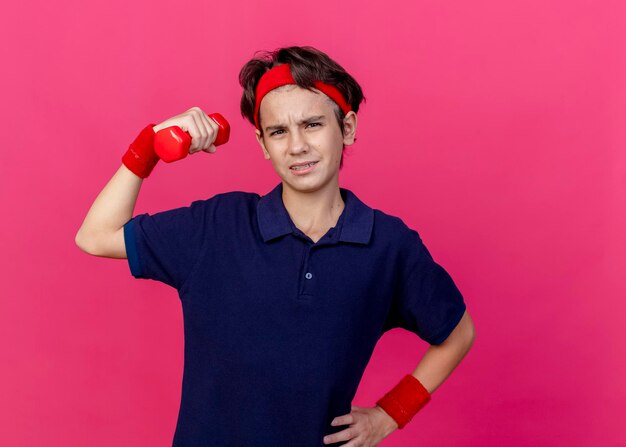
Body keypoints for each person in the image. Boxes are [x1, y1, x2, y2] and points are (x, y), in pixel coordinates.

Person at [75, 45, 476, 447]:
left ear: (348, 128)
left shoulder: (389, 246)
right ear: (263, 144)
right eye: (279, 132)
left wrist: (391, 413)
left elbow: (458, 334)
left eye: (313, 124)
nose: (297, 146)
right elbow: (95, 237)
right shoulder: (216, 226)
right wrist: (148, 145)